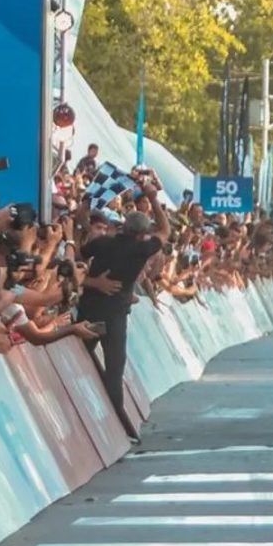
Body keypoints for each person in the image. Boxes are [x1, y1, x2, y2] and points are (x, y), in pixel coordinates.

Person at [77, 170, 170, 441]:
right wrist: (153, 198)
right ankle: (116, 426)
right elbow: (165, 230)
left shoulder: (102, 242)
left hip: (89, 313)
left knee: (81, 358)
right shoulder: (141, 249)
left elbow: (78, 258)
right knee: (114, 369)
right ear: (142, 235)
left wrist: (92, 280)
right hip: (114, 318)